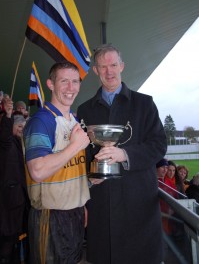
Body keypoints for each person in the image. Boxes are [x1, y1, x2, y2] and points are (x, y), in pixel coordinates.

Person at [77, 44, 167, 264]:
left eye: (114, 65)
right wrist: (91, 175)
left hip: (138, 204)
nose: (109, 71)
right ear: (96, 71)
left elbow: (158, 145)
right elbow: (82, 155)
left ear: (122, 66)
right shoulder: (84, 110)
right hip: (101, 205)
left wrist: (124, 154)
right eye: (103, 66)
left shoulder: (144, 104)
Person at [23, 62, 90, 264]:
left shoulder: (74, 122)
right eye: (64, 81)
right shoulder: (42, 121)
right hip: (49, 218)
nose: (71, 88)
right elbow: (38, 170)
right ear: (50, 84)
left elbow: (70, 169)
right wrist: (74, 146)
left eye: (75, 81)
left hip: (74, 214)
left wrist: (81, 201)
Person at [0, 97, 29, 264]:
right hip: (8, 202)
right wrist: (9, 115)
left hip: (19, 201)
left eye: (23, 127)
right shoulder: (6, 142)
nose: (21, 130)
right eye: (19, 126)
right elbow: (4, 136)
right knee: (7, 240)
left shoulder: (19, 143)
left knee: (16, 239)